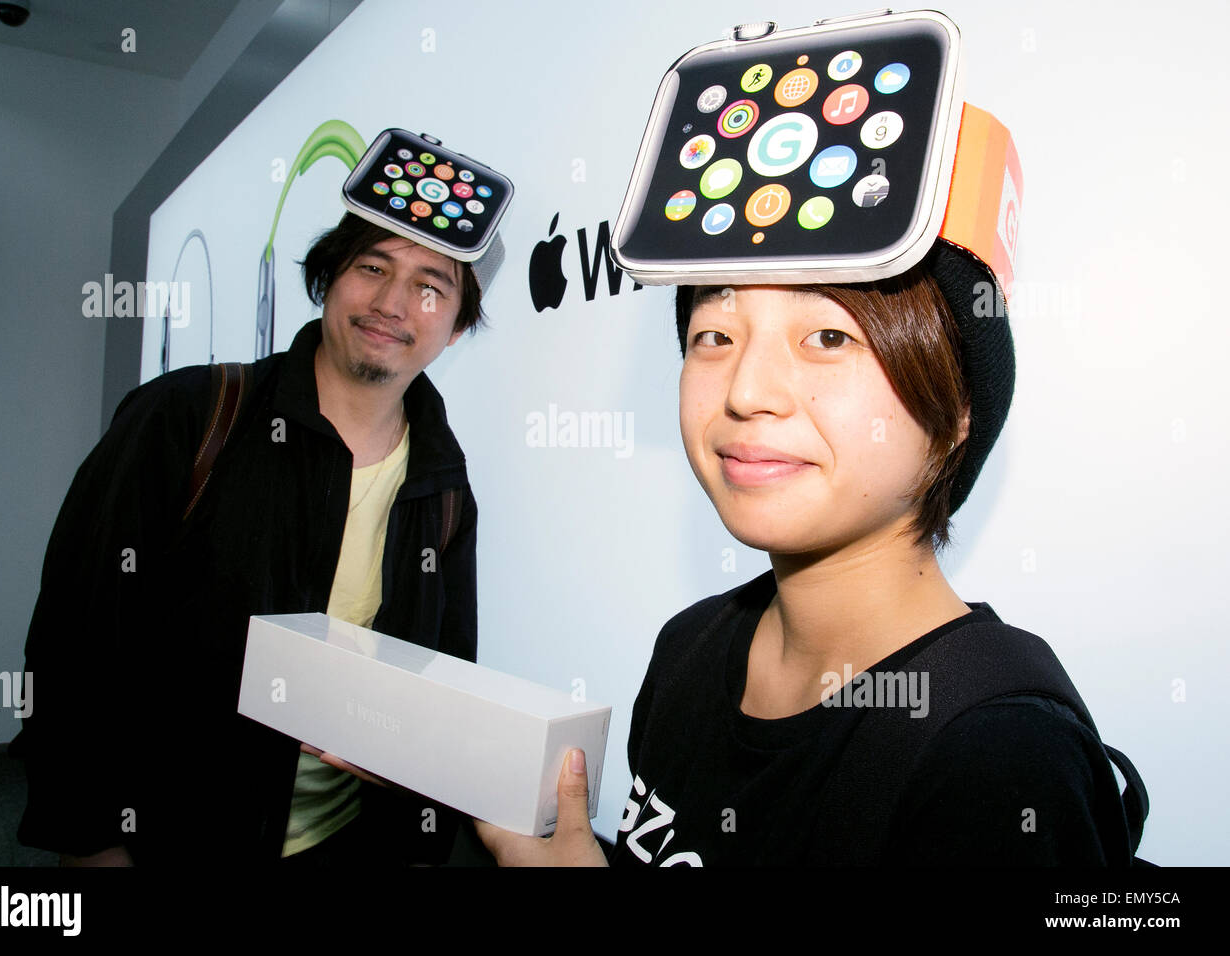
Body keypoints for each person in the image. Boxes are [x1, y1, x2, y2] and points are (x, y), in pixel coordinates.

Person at [475, 242, 1142, 866]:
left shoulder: (998, 756)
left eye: (828, 337)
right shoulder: (690, 648)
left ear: (957, 409)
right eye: (716, 336)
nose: (745, 392)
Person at [12, 212, 481, 866]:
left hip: (348, 840)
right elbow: (77, 635)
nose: (391, 302)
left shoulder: (443, 483)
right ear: (327, 280)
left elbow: (443, 672)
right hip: (176, 837)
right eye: (371, 267)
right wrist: (89, 836)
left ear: (458, 325)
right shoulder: (189, 416)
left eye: (430, 286)